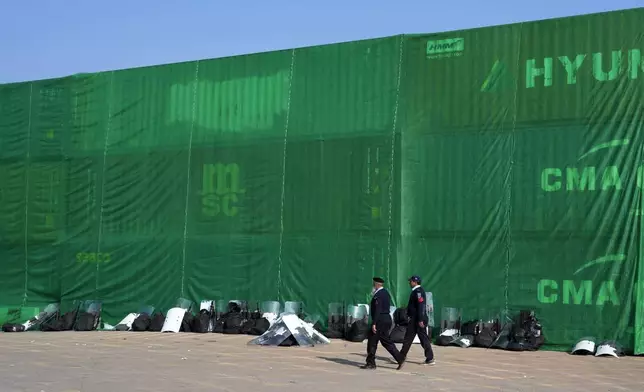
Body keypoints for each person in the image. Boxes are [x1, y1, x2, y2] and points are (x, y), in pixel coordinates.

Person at [361, 277, 404, 369]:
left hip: (380, 320)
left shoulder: (378, 295)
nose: (373, 286)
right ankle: (400, 358)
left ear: (376, 284)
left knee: (372, 341)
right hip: (386, 319)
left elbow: (378, 309)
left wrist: (374, 323)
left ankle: (370, 363)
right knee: (385, 341)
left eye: (373, 284)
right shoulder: (385, 293)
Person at [397, 275, 435, 370]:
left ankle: (430, 358)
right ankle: (401, 356)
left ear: (415, 282)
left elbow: (421, 306)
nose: (409, 282)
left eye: (411, 281)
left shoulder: (418, 292)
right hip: (414, 319)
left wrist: (421, 319)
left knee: (423, 338)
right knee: (408, 338)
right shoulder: (415, 291)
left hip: (418, 319)